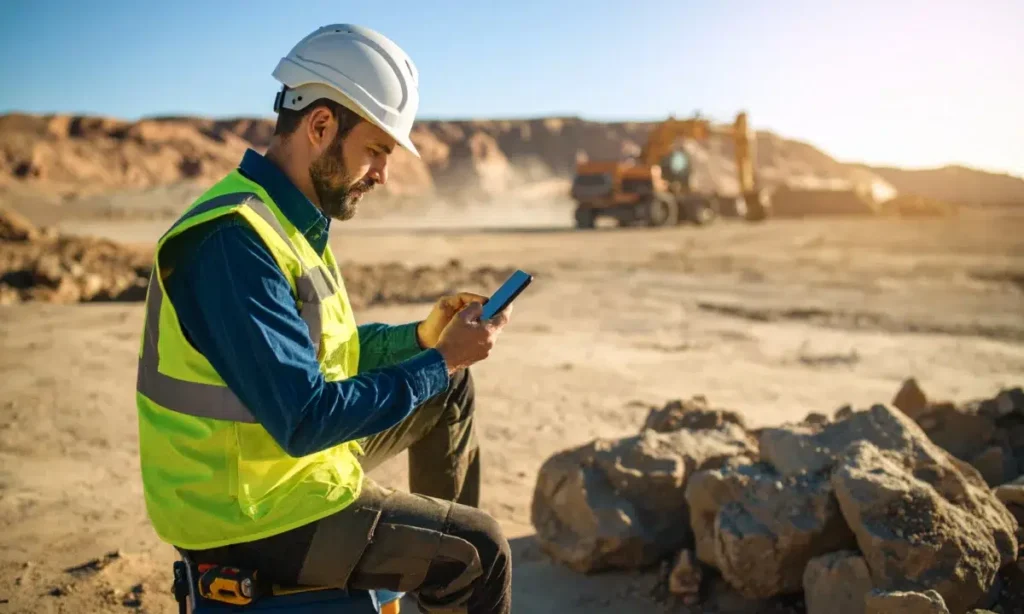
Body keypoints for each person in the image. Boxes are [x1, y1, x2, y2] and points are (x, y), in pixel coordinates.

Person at [135, 24, 513, 613]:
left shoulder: (290, 223)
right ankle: (444, 569)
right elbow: (305, 418)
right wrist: (438, 361)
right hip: (248, 510)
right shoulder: (232, 242)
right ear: (320, 127)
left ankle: (431, 567)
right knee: (481, 551)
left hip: (284, 472)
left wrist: (423, 341)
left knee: (449, 388)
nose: (383, 175)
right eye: (377, 151)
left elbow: (325, 354)